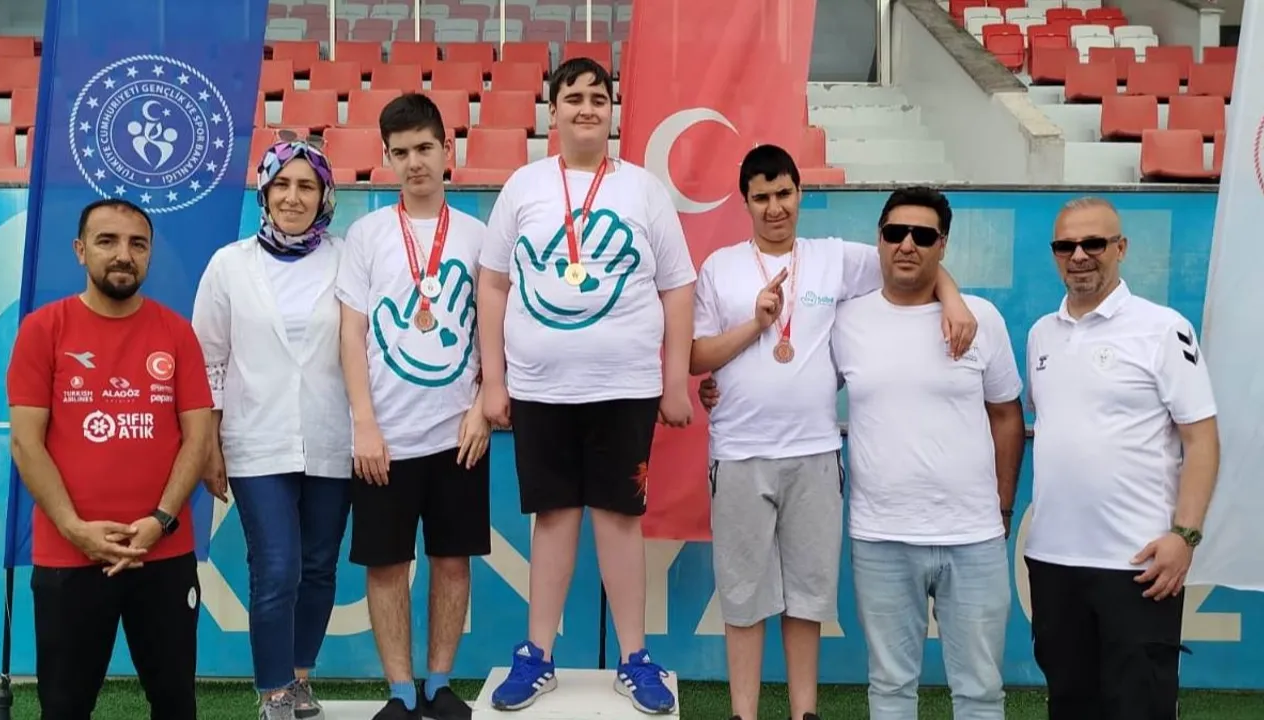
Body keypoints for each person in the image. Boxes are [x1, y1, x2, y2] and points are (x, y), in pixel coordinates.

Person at [692, 158, 978, 720]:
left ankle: (806, 712)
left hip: (816, 453)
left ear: (800, 193)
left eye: (783, 193)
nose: (775, 208)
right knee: (743, 598)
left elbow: (910, 262)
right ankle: (743, 713)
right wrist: (756, 324)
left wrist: (953, 298)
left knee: (808, 598)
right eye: (761, 198)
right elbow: (697, 357)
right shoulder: (720, 267)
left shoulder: (832, 257)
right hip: (739, 452)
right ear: (744, 202)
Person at [478, 56, 695, 714]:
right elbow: (493, 284)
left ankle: (635, 658)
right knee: (552, 519)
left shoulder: (643, 190)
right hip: (540, 390)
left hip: (625, 388)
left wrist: (675, 380)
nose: (586, 108)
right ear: (553, 112)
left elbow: (677, 287)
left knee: (621, 520)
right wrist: (494, 380)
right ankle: (537, 655)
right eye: (573, 97)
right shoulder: (524, 187)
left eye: (598, 98)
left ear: (612, 112)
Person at [6, 198, 214, 720]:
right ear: (80, 251)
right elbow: (26, 443)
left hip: (163, 553)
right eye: (107, 241)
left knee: (175, 704)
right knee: (64, 707)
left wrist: (160, 521)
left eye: (137, 244)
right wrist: (75, 529)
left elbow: (197, 439)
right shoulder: (43, 329)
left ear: (149, 255)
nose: (124, 254)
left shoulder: (176, 332)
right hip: (68, 556)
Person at [830, 187, 1025, 720]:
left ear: (943, 245)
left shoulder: (980, 318)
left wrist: (1003, 507)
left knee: (981, 690)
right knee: (890, 688)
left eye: (923, 235)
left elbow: (1006, 415)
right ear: (879, 240)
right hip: (881, 537)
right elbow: (795, 383)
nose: (907, 245)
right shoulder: (846, 321)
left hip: (973, 537)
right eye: (896, 233)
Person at [1024, 197, 1220, 720]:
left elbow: (1202, 439)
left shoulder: (1163, 328)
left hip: (1138, 566)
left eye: (1094, 243)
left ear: (1121, 248)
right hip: (1053, 562)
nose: (1079, 256)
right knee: (1070, 704)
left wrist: (1185, 536)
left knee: (1140, 707)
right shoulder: (1041, 334)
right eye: (1066, 245)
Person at [338, 93, 491, 720]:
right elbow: (351, 334)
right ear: (386, 157)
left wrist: (483, 407)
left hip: (459, 434)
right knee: (386, 566)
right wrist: (364, 424)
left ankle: (439, 684)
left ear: (447, 149)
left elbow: (495, 331)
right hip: (386, 437)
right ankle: (400, 692)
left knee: (452, 562)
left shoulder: (479, 237)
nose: (414, 162)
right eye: (400, 152)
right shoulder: (367, 235)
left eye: (425, 148)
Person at [191, 138, 353, 720]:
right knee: (277, 567)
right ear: (264, 192)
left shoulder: (348, 260)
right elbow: (208, 359)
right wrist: (209, 444)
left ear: (324, 196)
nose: (293, 196)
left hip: (333, 438)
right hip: (256, 440)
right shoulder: (229, 265)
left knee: (319, 567)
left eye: (307, 185)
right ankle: (273, 692)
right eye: (281, 184)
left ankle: (300, 679)